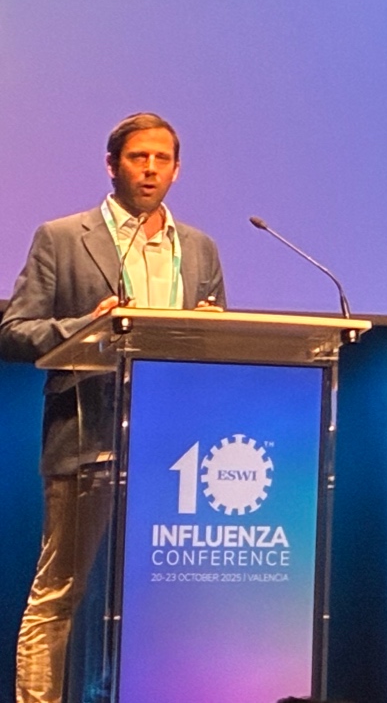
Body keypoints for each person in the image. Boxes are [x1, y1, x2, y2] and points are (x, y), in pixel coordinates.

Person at [0, 114, 226, 703]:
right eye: (137, 157)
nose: (149, 169)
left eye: (161, 159)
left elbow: (216, 348)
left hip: (176, 447)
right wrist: (87, 325)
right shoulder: (62, 237)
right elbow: (13, 332)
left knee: (170, 594)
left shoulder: (199, 248)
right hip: (88, 437)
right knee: (60, 592)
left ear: (177, 170)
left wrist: (211, 331)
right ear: (111, 165)